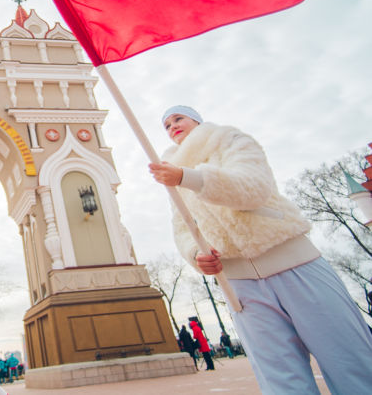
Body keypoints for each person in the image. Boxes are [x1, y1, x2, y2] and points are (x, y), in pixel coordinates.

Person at [150, 105, 372, 394]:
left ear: (197, 120)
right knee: (280, 379)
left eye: (178, 118)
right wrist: (196, 254)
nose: (172, 126)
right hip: (240, 284)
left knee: (348, 359)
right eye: (166, 125)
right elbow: (182, 225)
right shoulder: (171, 172)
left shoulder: (230, 140)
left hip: (295, 263)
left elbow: (254, 188)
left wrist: (189, 177)